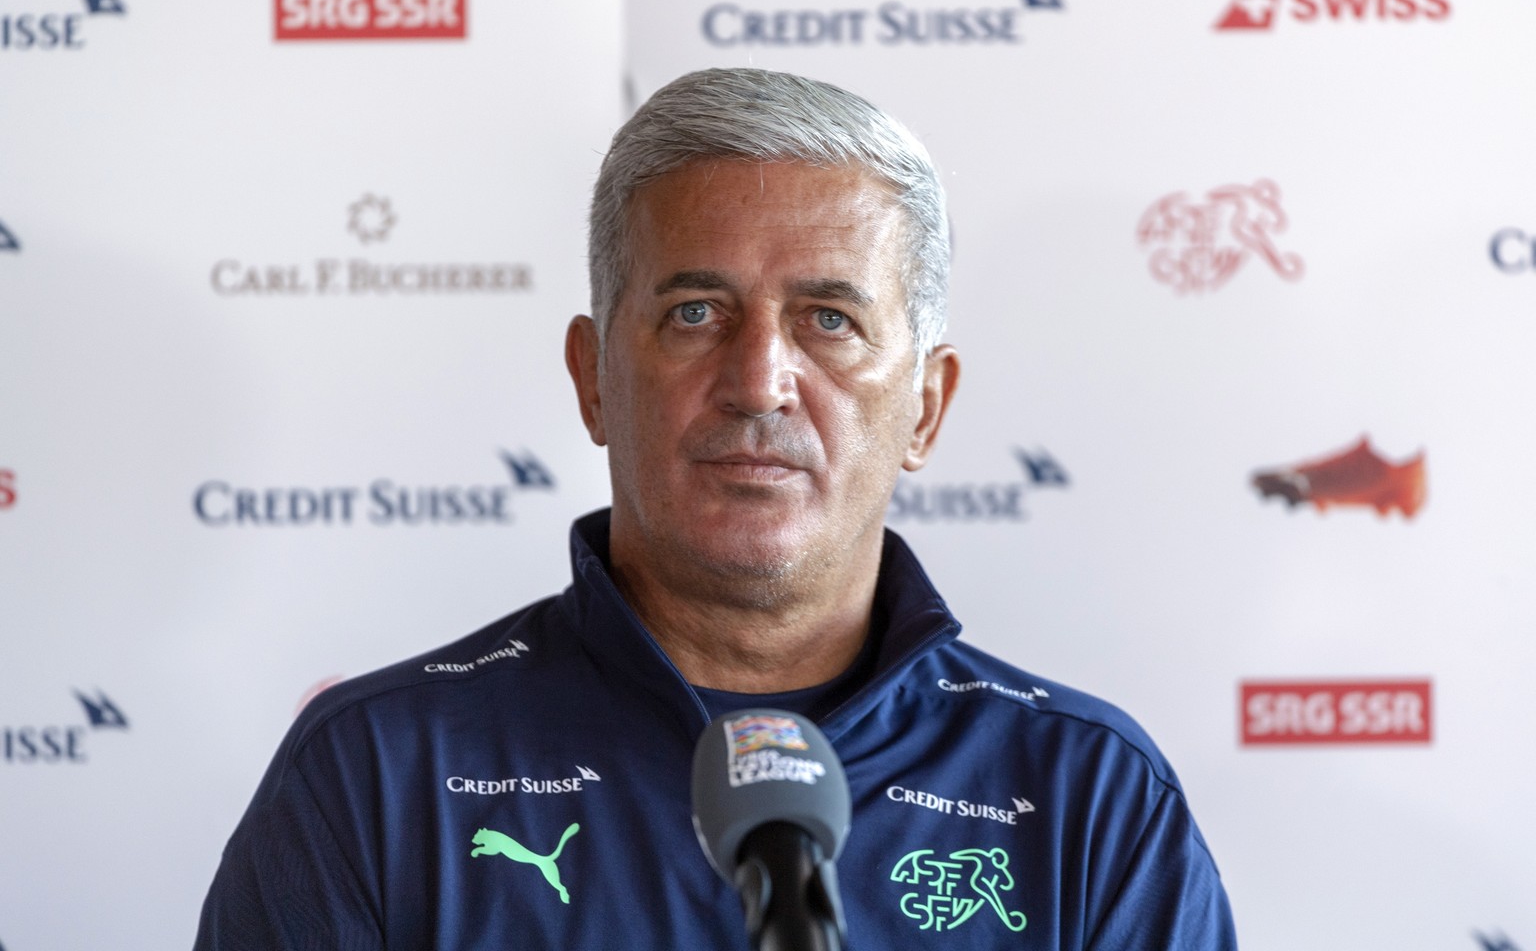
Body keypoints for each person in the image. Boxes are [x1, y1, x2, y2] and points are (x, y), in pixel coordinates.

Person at [194, 67, 1237, 949]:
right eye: (696, 312)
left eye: (829, 318)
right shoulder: (377, 776)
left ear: (926, 406)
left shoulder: (1091, 798)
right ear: (594, 379)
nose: (760, 381)